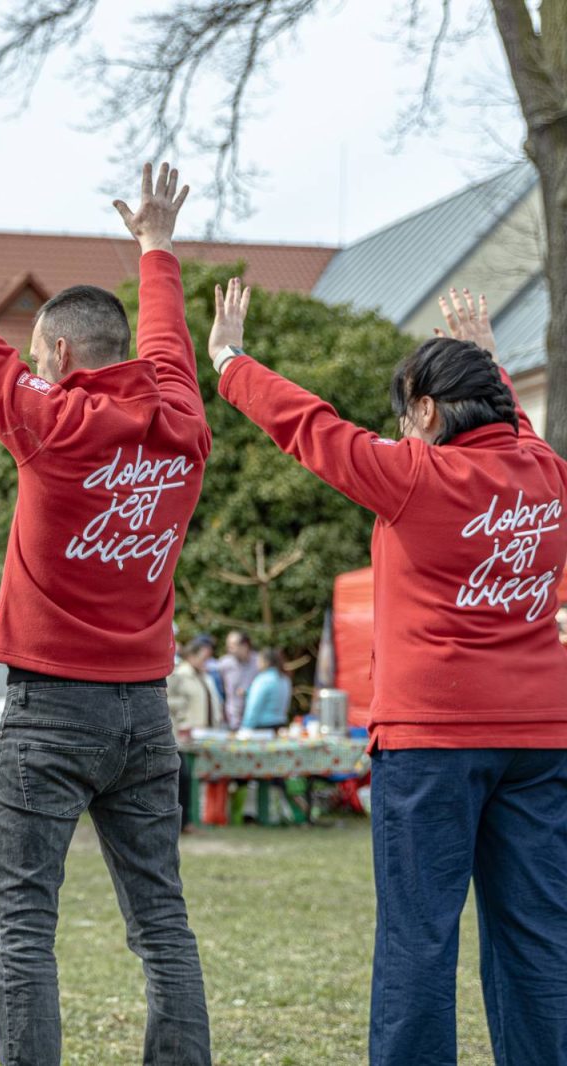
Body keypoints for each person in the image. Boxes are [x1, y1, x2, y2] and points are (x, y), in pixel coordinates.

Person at [0, 143, 211, 1064]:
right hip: (145, 710)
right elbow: (168, 347)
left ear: (56, 356)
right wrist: (157, 245)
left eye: (35, 357)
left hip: (52, 706)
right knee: (163, 926)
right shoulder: (183, 423)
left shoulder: (48, 422)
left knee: (23, 928)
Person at [207, 280, 567, 1064]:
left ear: (428, 413)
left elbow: (311, 428)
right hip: (543, 739)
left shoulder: (415, 477)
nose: (402, 432)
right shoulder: (549, 479)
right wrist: (493, 367)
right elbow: (522, 436)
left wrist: (231, 362)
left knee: (419, 940)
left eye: (406, 416)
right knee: (539, 938)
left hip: (433, 739)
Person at [167, 635, 221, 831]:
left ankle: (195, 819)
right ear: (193, 655)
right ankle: (183, 821)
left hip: (204, 735)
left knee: (197, 778)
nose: (207, 661)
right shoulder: (179, 674)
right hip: (181, 735)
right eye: (204, 657)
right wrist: (183, 716)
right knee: (183, 777)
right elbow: (166, 700)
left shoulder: (205, 675)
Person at [239, 649, 291, 731]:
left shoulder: (262, 680)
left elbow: (253, 706)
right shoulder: (284, 679)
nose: (257, 663)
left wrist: (245, 728)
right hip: (280, 726)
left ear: (266, 662)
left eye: (259, 660)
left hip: (262, 729)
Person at [217, 630, 259, 729]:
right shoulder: (224, 663)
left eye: (233, 645)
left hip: (255, 719)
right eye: (228, 645)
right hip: (231, 719)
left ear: (245, 646)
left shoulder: (259, 662)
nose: (229, 649)